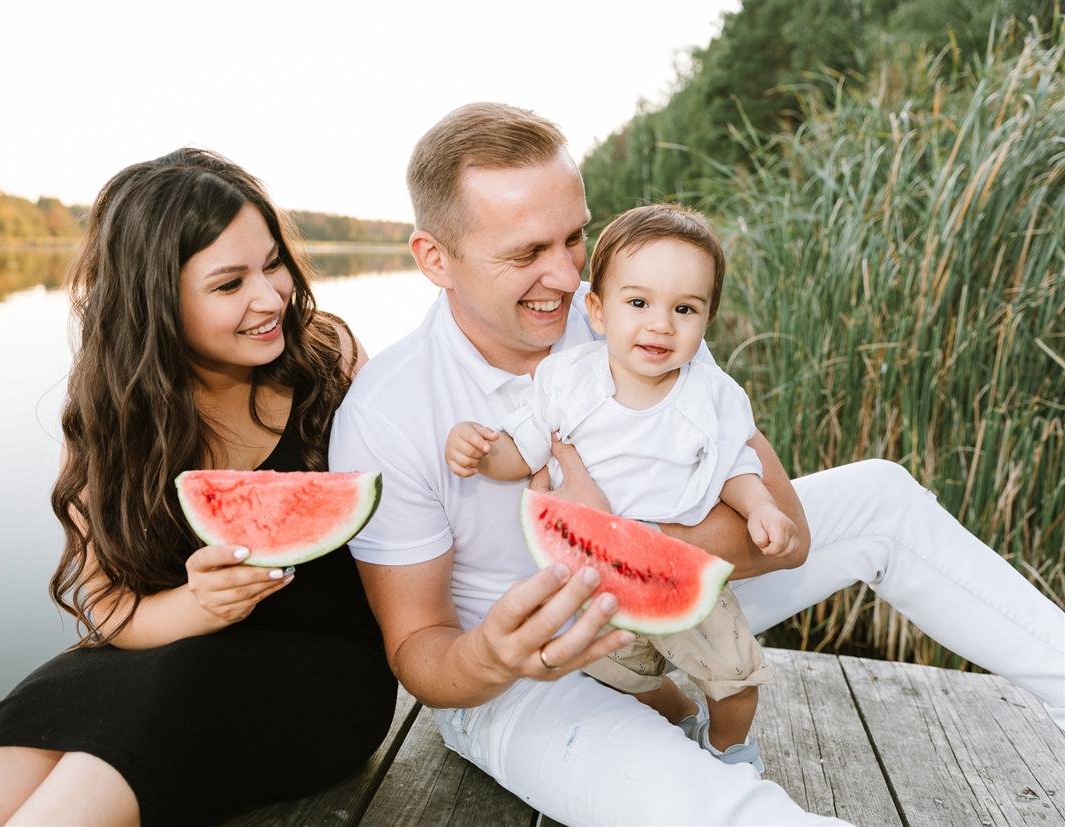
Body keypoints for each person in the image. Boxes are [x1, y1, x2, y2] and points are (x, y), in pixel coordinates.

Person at [328, 102, 1065, 826]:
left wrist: (614, 536)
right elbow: (420, 648)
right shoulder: (386, 412)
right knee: (711, 808)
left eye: (574, 237)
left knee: (880, 494)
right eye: (526, 253)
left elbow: (792, 533)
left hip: (681, 591)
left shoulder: (641, 309)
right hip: (521, 675)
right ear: (435, 259)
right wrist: (492, 654)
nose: (564, 276)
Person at [0, 149, 397, 827]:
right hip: (170, 664)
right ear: (155, 300)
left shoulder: (328, 362)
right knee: (43, 703)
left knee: (169, 689)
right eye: (228, 283)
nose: (271, 297)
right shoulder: (109, 417)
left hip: (330, 685)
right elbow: (111, 611)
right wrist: (201, 604)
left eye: (272, 263)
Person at [444, 203, 790, 772]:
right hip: (594, 578)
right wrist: (479, 452)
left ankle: (729, 746)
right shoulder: (565, 381)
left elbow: (735, 467)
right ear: (598, 311)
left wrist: (761, 508)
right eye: (639, 303)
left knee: (734, 675)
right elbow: (526, 448)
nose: (661, 324)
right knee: (621, 675)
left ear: (707, 320)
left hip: (678, 565)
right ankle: (680, 718)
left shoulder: (712, 394)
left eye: (685, 308)